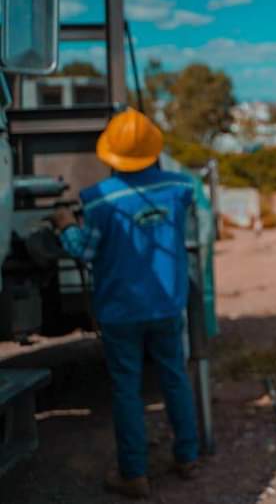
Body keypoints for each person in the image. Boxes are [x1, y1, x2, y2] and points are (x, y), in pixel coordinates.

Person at [53, 109, 200, 500]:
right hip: (168, 303)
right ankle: (187, 455)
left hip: (120, 311)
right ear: (154, 150)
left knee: (127, 389)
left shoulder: (99, 201)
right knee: (174, 377)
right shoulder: (180, 187)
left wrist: (66, 223)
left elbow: (85, 251)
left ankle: (134, 473)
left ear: (111, 155)